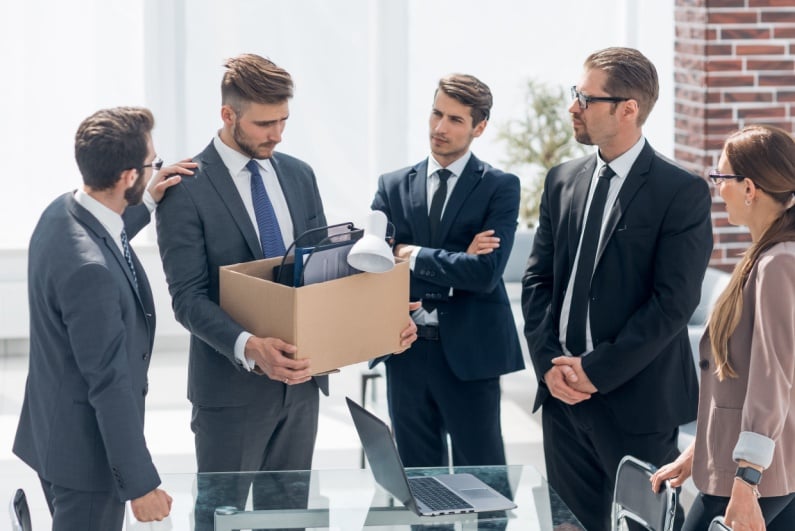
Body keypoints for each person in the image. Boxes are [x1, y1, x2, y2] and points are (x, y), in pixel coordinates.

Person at [155, 53, 417, 527]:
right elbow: (187, 298)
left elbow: (321, 276)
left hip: (301, 389)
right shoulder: (185, 189)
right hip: (230, 394)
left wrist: (383, 313)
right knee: (221, 520)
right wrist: (251, 347)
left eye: (283, 121)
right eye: (264, 123)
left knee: (290, 518)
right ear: (227, 115)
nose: (277, 134)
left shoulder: (298, 175)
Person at [521, 47, 714, 531]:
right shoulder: (562, 180)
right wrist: (550, 365)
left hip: (637, 404)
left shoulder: (680, 192)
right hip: (562, 399)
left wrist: (596, 370)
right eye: (575, 95)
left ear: (628, 108)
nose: (573, 107)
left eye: (585, 98)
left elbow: (673, 305)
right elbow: (537, 281)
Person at [12, 106, 194, 530]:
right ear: (128, 176)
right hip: (87, 463)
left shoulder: (60, 213)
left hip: (53, 435)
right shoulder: (91, 274)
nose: (155, 170)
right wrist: (140, 486)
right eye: (152, 165)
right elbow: (109, 383)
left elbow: (104, 235)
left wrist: (147, 202)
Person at [371, 73, 524, 468]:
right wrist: (459, 261)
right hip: (406, 350)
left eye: (455, 120)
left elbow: (486, 274)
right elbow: (374, 268)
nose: (440, 128)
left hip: (470, 354)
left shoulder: (500, 187)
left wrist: (410, 253)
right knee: (420, 482)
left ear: (479, 127)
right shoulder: (391, 187)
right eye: (437, 113)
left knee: (484, 478)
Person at [651, 124, 795, 531]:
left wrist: (747, 480)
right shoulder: (764, 257)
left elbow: (773, 378)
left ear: (749, 187)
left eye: (721, 177)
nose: (718, 188)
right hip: (756, 470)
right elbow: (738, 385)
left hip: (756, 478)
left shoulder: (778, 263)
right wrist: (698, 452)